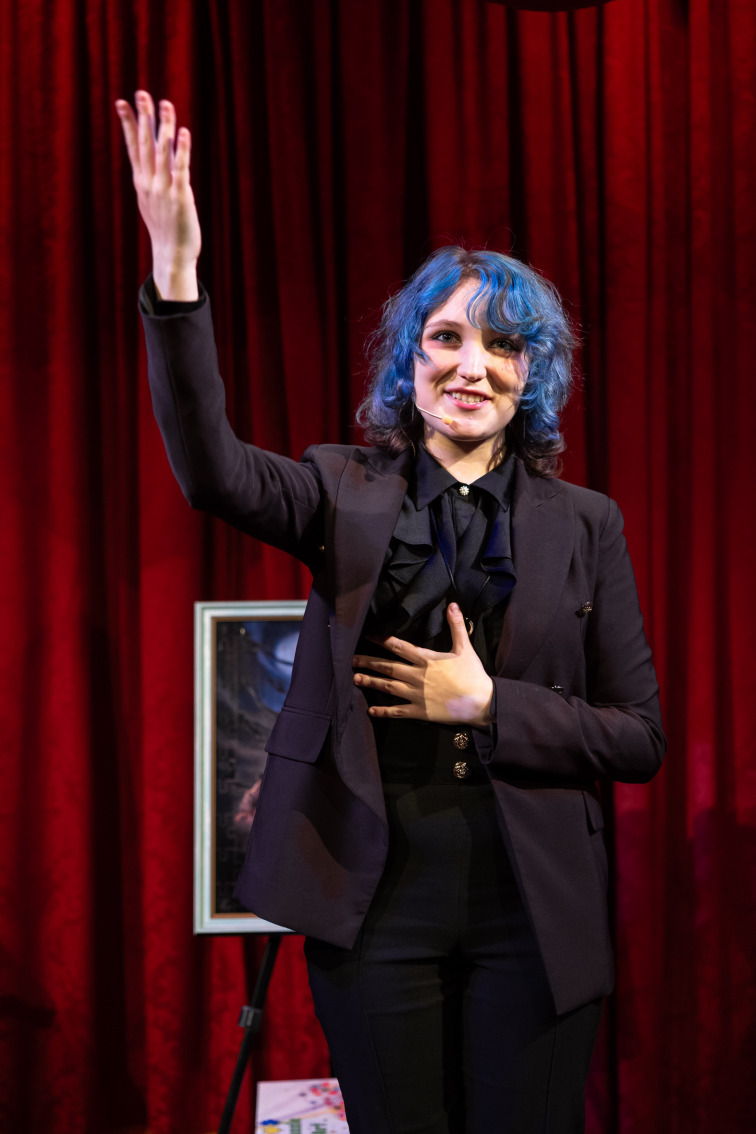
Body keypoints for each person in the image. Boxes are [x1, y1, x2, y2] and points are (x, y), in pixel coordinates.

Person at [116, 91, 665, 1133]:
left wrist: (489, 706)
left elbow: (639, 738)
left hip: (532, 904)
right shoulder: (340, 488)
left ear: (531, 375)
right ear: (409, 364)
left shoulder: (589, 523)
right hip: (374, 897)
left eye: (502, 346)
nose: (471, 365)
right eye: (446, 338)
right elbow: (212, 470)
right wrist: (177, 277)